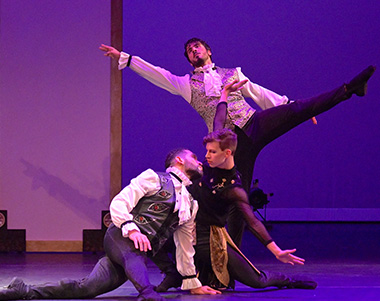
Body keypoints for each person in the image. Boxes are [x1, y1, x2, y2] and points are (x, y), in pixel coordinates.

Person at [99, 39, 376, 246]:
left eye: (197, 47)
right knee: (237, 201)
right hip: (229, 145)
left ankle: (349, 89)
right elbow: (159, 74)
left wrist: (286, 104)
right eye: (189, 50)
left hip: (252, 124)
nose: (194, 51)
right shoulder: (186, 84)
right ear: (188, 58)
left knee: (298, 109)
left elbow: (258, 92)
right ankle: (231, 261)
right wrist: (126, 58)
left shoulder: (234, 72)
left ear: (208, 51)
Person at [154, 81, 317, 292]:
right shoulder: (207, 167)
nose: (206, 156)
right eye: (207, 151)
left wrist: (276, 251)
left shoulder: (234, 188)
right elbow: (219, 122)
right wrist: (224, 95)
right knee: (150, 237)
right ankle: (173, 274)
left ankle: (287, 280)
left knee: (256, 280)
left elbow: (252, 221)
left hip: (210, 239)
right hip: (187, 231)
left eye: (212, 152)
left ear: (227, 153)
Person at [0, 149, 220, 301]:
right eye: (193, 156)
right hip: (120, 237)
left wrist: (193, 282)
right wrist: (132, 229)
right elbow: (120, 202)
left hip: (133, 254)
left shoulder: (191, 204)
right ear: (179, 161)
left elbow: (185, 246)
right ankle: (147, 293)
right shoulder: (154, 178)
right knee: (145, 284)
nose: (200, 161)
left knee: (88, 288)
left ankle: (24, 291)